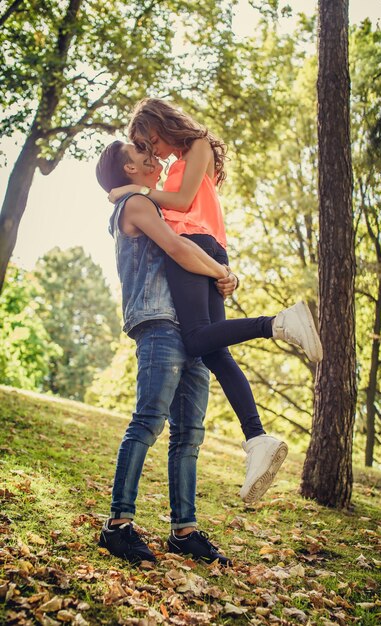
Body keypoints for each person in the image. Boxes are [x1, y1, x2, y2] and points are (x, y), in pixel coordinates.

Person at [109, 97, 323, 504]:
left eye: (150, 140)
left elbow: (185, 203)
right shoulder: (172, 165)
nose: (152, 149)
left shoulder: (198, 146)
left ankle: (275, 323)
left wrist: (135, 188)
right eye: (144, 146)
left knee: (194, 339)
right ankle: (257, 438)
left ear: (161, 125)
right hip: (208, 252)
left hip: (194, 246)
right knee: (213, 350)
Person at [95, 140, 234, 566]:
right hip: (159, 323)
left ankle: (184, 531)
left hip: (189, 325)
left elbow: (187, 243)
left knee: (190, 432)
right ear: (128, 169)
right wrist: (223, 272)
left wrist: (218, 275)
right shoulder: (135, 205)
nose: (154, 159)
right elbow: (177, 248)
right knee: (149, 421)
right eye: (143, 156)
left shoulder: (147, 201)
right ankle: (117, 526)